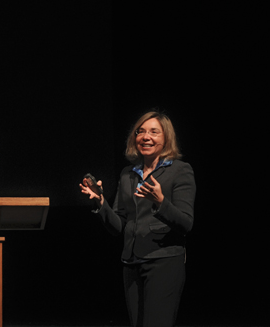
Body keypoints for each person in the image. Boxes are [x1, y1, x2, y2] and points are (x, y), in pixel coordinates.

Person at [80, 110, 196, 327]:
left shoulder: (180, 171)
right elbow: (118, 226)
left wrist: (161, 202)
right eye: (140, 132)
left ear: (166, 138)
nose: (146, 137)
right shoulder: (128, 174)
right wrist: (101, 202)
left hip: (164, 261)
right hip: (131, 262)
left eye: (154, 132)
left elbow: (186, 223)